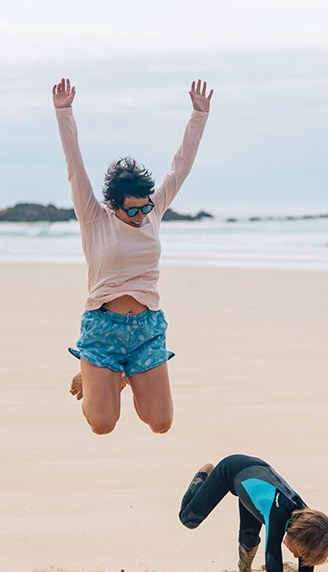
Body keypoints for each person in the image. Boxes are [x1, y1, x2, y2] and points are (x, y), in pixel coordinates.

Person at [51, 77, 213, 435]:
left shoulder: (153, 211)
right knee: (103, 424)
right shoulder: (94, 219)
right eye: (133, 211)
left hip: (147, 328)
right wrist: (64, 112)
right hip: (103, 327)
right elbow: (74, 165)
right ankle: (96, 372)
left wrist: (198, 115)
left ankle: (112, 376)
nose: (142, 216)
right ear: (113, 207)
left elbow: (180, 166)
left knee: (160, 422)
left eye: (146, 207)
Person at [178, 454, 328, 572]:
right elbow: (272, 555)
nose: (296, 556)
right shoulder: (278, 514)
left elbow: (308, 553)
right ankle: (204, 473)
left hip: (253, 484)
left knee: (249, 538)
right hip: (230, 470)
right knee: (189, 519)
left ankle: (245, 571)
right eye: (299, 551)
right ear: (296, 534)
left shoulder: (305, 519)